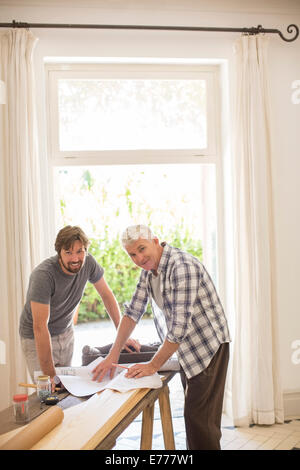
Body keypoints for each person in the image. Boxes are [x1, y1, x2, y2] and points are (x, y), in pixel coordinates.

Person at [92, 224, 231, 450]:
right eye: (132, 254)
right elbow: (132, 313)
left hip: (208, 348)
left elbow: (178, 329)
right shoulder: (148, 271)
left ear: (156, 241)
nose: (138, 258)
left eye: (142, 249)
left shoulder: (181, 267)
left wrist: (152, 365)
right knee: (196, 421)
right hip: (187, 348)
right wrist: (112, 355)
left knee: (200, 422)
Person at [19, 225, 140, 388]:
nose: (75, 258)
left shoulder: (88, 262)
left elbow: (107, 295)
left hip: (66, 331)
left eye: (80, 251)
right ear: (59, 252)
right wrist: (50, 375)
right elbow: (40, 327)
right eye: (68, 252)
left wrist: (122, 335)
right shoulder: (43, 276)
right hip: (36, 337)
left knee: (66, 387)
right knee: (48, 390)